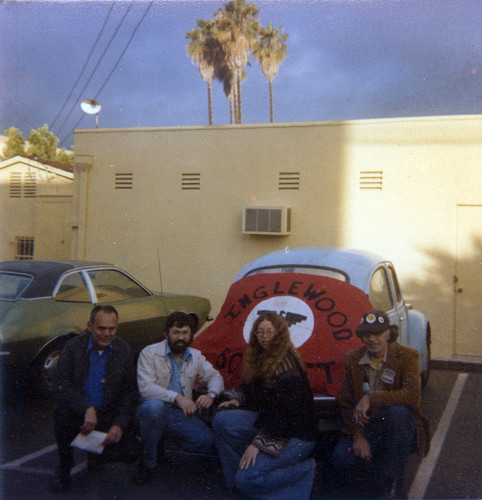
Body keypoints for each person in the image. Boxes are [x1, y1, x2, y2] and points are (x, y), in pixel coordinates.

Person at [213, 311, 318, 500]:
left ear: (280, 334)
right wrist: (237, 399)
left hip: (296, 434)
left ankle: (304, 470)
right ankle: (238, 482)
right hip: (272, 421)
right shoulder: (260, 355)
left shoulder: (287, 367)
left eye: (270, 332)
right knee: (222, 420)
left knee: (247, 480)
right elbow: (249, 386)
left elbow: (286, 415)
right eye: (260, 332)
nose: (264, 337)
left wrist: (258, 444)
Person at [332, 310, 430, 498]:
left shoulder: (408, 356)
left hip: (396, 427)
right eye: (367, 334)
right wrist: (357, 436)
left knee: (399, 413)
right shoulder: (352, 359)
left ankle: (393, 482)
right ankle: (373, 479)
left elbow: (412, 396)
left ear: (388, 333)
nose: (372, 339)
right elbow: (345, 402)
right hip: (367, 426)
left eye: (378, 333)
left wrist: (371, 397)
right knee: (341, 458)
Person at [50, 305, 139, 493]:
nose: (107, 333)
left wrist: (120, 424)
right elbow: (60, 384)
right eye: (101, 328)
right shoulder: (73, 347)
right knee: (61, 416)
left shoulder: (123, 349)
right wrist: (86, 407)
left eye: (112, 329)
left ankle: (97, 457)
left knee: (112, 463)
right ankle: (64, 467)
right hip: (78, 411)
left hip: (107, 414)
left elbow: (129, 392)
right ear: (90, 326)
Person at [134, 311, 224, 485]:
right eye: (176, 332)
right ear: (166, 333)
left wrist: (211, 394)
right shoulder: (149, 353)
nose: (180, 338)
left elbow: (215, 377)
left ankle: (160, 441)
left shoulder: (195, 356)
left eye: (185, 333)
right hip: (152, 410)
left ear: (191, 335)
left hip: (180, 415)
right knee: (155, 409)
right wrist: (177, 397)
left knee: (206, 442)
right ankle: (147, 463)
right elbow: (145, 388)